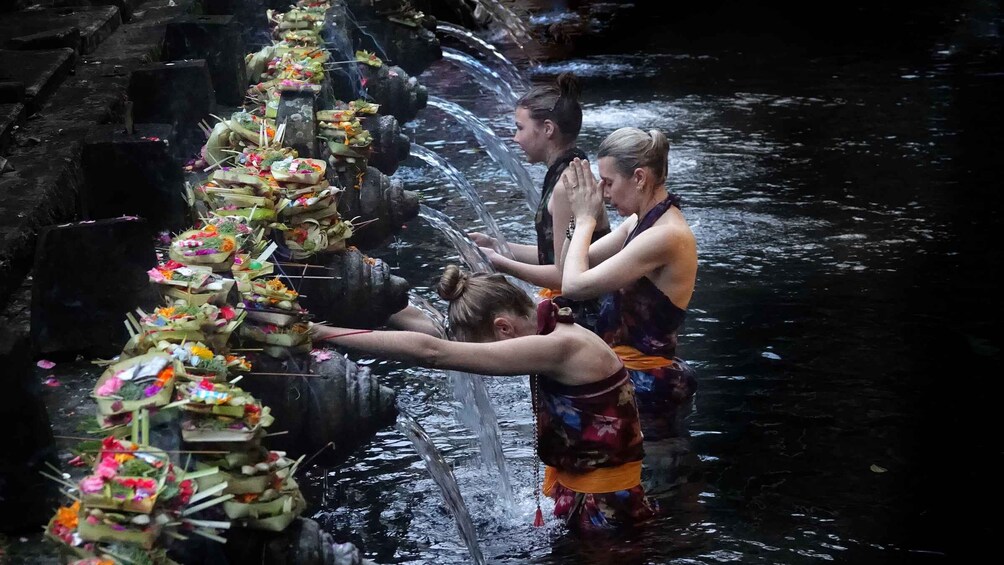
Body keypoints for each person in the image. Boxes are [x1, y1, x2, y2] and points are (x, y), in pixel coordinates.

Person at [310, 265, 657, 532]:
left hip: (606, 509)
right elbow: (438, 337)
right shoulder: (547, 316)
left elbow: (434, 353)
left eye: (486, 348)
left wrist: (325, 334)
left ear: (503, 328)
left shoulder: (559, 347)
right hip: (585, 492)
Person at [557, 127, 698, 415]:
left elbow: (574, 286)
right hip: (628, 377)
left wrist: (587, 220)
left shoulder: (666, 235)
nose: (604, 193)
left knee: (652, 461)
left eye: (608, 183)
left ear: (639, 178)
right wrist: (578, 217)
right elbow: (566, 269)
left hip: (650, 387)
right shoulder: (638, 223)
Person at [469, 72, 610, 330]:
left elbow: (562, 274)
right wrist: (498, 246)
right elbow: (556, 256)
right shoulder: (566, 171)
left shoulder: (567, 185)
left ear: (547, 129)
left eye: (520, 128)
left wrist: (500, 263)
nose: (515, 138)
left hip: (587, 319)